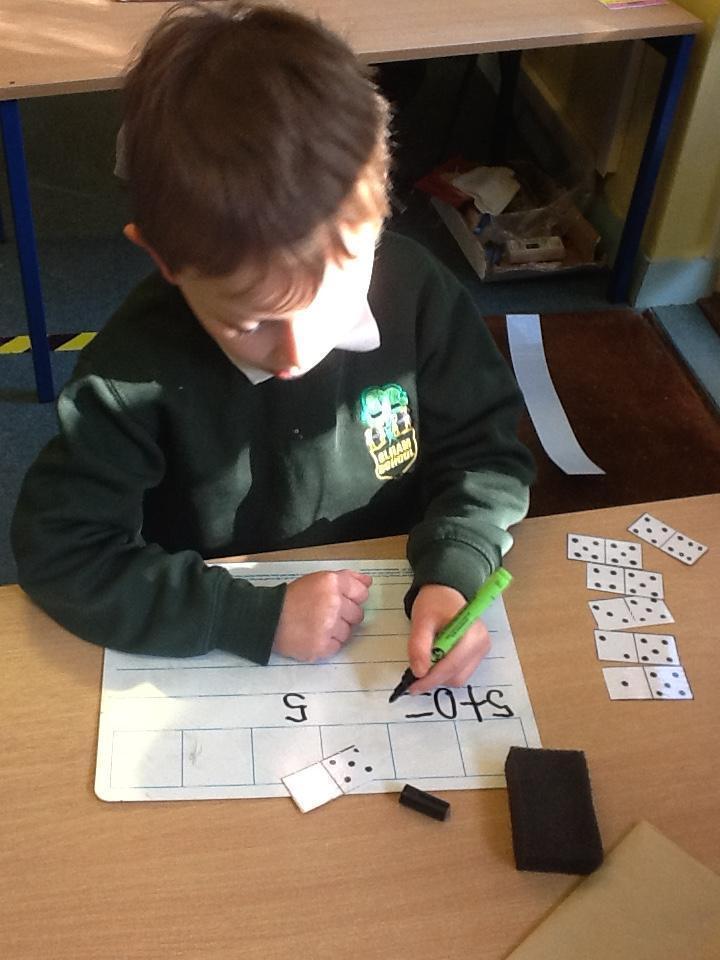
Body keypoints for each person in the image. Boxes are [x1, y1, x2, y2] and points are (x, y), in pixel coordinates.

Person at [11, 0, 534, 695]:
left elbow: (484, 452)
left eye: (331, 305)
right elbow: (62, 551)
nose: (295, 351)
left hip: (383, 601)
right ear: (163, 258)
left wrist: (456, 568)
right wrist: (248, 615)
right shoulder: (130, 372)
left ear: (380, 215)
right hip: (219, 636)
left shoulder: (418, 293)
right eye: (250, 322)